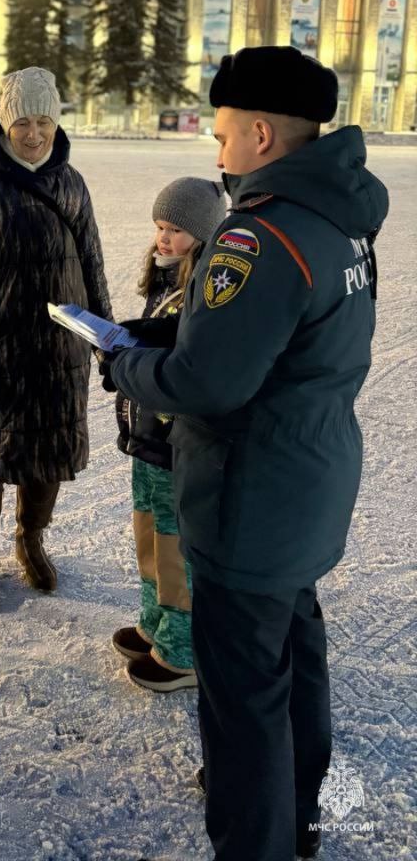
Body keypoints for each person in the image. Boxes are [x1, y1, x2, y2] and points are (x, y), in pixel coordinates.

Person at [104, 46, 389, 861]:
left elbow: (209, 381)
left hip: (249, 498)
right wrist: (171, 330)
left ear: (262, 134)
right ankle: (296, 807)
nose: (217, 149)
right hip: (307, 483)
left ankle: (256, 830)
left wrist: (127, 360)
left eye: (223, 132)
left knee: (242, 704)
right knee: (292, 654)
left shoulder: (259, 236)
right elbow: (280, 340)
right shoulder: (337, 219)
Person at [0, 66, 112, 607]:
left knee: (48, 457)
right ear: (3, 123)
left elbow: (91, 262)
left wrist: (107, 337)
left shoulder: (71, 182)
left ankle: (30, 539)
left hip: (60, 352)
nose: (33, 133)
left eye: (43, 121)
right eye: (22, 123)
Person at [112, 176, 226, 693]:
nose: (163, 239)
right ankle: (156, 622)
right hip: (147, 434)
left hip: (174, 440)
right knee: (147, 530)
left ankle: (182, 650)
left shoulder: (202, 288)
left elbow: (186, 362)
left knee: (173, 539)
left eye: (176, 230)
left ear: (201, 235)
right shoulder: (164, 281)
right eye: (160, 227)